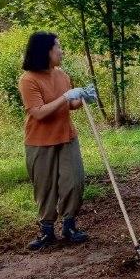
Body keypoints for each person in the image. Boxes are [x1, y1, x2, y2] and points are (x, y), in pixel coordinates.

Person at [19, 32, 97, 250]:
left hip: (67, 137)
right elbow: (39, 113)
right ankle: (46, 230)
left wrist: (82, 98)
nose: (61, 52)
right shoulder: (29, 80)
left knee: (74, 181)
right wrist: (65, 97)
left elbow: (70, 105)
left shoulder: (61, 75)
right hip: (39, 142)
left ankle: (70, 225)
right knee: (45, 187)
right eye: (58, 48)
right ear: (46, 51)